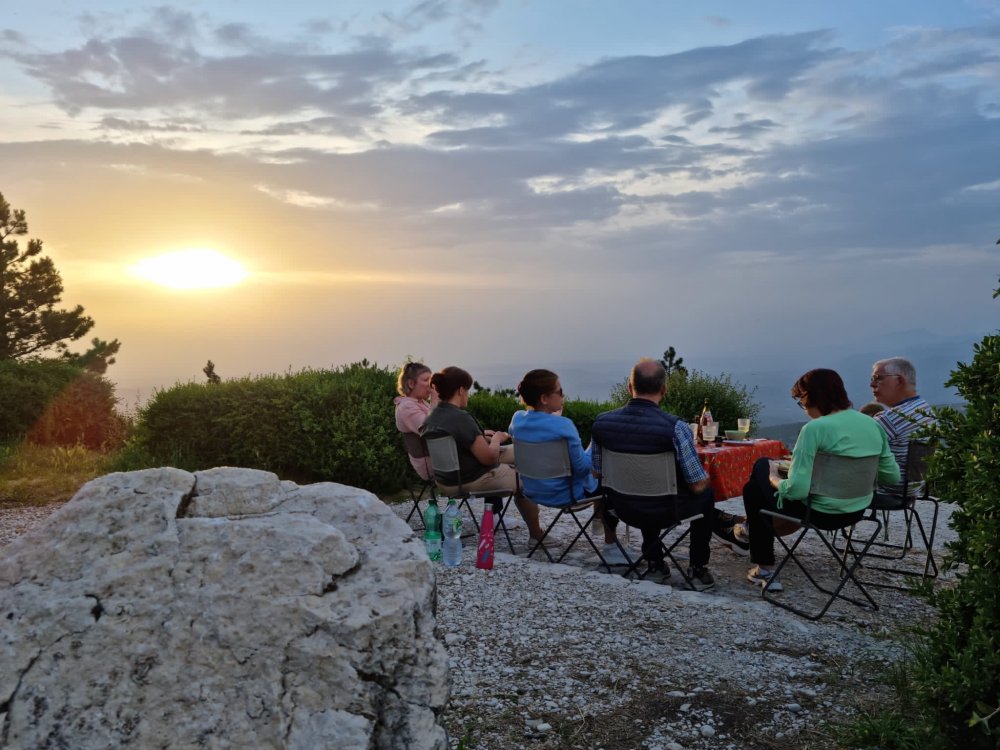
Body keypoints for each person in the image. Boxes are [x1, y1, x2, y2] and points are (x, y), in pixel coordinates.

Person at [730, 368, 900, 592]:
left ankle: (762, 560)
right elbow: (892, 476)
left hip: (820, 513)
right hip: (856, 510)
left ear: (810, 397)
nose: (803, 408)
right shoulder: (873, 426)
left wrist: (773, 477)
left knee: (759, 476)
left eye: (801, 400)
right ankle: (753, 536)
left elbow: (797, 491)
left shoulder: (815, 429)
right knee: (759, 483)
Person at [589, 359, 718, 591]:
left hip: (622, 508)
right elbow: (698, 485)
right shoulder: (676, 428)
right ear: (664, 390)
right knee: (705, 495)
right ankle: (697, 569)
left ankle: (655, 563)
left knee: (644, 487)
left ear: (630, 387)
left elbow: (597, 472)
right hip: (667, 511)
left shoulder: (602, 424)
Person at [508, 369, 628, 565]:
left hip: (531, 491)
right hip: (567, 495)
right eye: (560, 391)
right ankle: (610, 545)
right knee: (608, 481)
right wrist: (594, 445)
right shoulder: (564, 426)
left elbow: (534, 430)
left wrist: (552, 419)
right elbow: (582, 470)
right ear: (545, 398)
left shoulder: (517, 419)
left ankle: (598, 520)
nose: (563, 395)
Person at [420, 366, 543, 541]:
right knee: (528, 478)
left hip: (446, 479)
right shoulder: (460, 417)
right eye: (467, 391)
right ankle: (537, 535)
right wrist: (497, 439)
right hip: (470, 478)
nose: (468, 395)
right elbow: (488, 458)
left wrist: (482, 437)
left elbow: (460, 445)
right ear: (461, 390)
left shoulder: (432, 416)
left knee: (521, 451)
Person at [869, 357, 935, 496]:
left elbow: (851, 448)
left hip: (886, 491)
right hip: (912, 489)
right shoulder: (925, 409)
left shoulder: (891, 418)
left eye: (878, 378)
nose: (872, 384)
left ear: (899, 381)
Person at [394, 361, 437, 480]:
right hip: (431, 464)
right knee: (487, 461)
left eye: (431, 380)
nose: (430, 385)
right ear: (411, 384)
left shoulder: (421, 402)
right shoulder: (406, 407)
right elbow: (429, 428)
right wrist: (435, 399)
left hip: (440, 456)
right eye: (426, 380)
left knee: (488, 446)